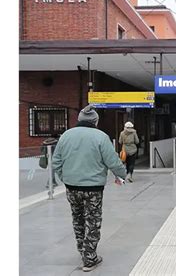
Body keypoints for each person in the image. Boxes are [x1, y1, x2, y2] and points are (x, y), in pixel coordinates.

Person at [52, 105, 127, 272]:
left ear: (79, 119)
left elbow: (56, 161)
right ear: (96, 121)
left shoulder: (66, 136)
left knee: (77, 219)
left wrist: (65, 178)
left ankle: (82, 251)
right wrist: (121, 175)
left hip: (72, 188)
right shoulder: (101, 137)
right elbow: (113, 161)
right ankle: (89, 258)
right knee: (93, 221)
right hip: (93, 188)